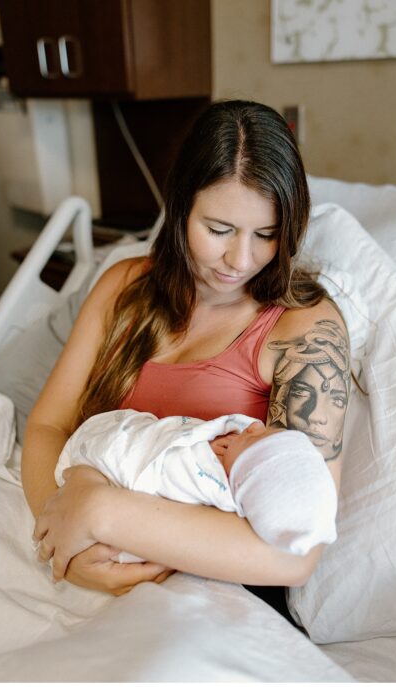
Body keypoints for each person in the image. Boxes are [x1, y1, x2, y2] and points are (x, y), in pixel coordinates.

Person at [26, 100, 351, 604]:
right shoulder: (123, 289)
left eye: (266, 235)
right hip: (83, 562)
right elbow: (49, 427)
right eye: (218, 230)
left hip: (218, 600)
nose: (240, 260)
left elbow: (296, 554)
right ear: (180, 209)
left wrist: (100, 514)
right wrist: (66, 541)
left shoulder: (306, 328)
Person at [55, 411, 338, 563]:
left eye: (254, 442)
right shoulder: (229, 452)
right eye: (268, 430)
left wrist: (203, 456)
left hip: (106, 492)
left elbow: (164, 479)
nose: (252, 428)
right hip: (85, 481)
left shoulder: (211, 488)